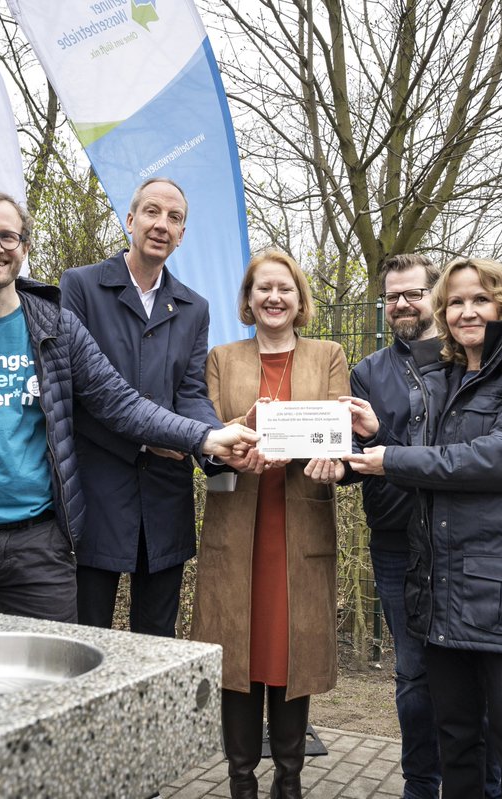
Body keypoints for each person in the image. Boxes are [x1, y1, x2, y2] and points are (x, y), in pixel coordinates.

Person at [0, 188, 256, 622]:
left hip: (38, 544)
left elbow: (118, 401)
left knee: (57, 680)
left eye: (8, 237)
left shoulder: (55, 327)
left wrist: (206, 436)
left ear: (24, 248)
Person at [345, 256, 502, 799]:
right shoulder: (442, 377)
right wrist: (380, 434)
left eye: (479, 299)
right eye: (455, 302)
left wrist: (390, 460)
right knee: (458, 744)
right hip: (443, 586)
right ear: (442, 313)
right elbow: (431, 451)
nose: (467, 311)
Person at [189, 248, 349, 799]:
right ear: (248, 300)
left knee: (289, 655)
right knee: (237, 656)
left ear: (300, 298)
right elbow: (204, 434)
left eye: (285, 288)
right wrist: (241, 431)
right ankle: (239, 783)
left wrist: (329, 458)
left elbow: (336, 431)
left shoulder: (328, 353)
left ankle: (289, 782)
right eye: (263, 289)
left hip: (298, 526)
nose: (274, 297)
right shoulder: (221, 358)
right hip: (237, 529)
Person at [59, 177, 223, 638]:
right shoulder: (80, 286)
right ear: (130, 220)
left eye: (174, 218)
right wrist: (160, 435)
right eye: (152, 212)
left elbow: (190, 391)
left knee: (156, 638)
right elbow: (80, 387)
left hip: (165, 495)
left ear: (182, 235)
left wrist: (214, 446)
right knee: (85, 635)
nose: (162, 224)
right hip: (96, 488)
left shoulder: (194, 307)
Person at [349, 253, 447, 798]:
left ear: (434, 295)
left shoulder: (464, 362)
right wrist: (326, 463)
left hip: (459, 540)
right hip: (394, 543)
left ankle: (482, 784)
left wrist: (381, 438)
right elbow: (355, 453)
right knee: (411, 674)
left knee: (467, 676)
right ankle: (419, 786)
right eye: (392, 297)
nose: (402, 305)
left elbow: (458, 453)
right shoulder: (368, 371)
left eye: (412, 293)